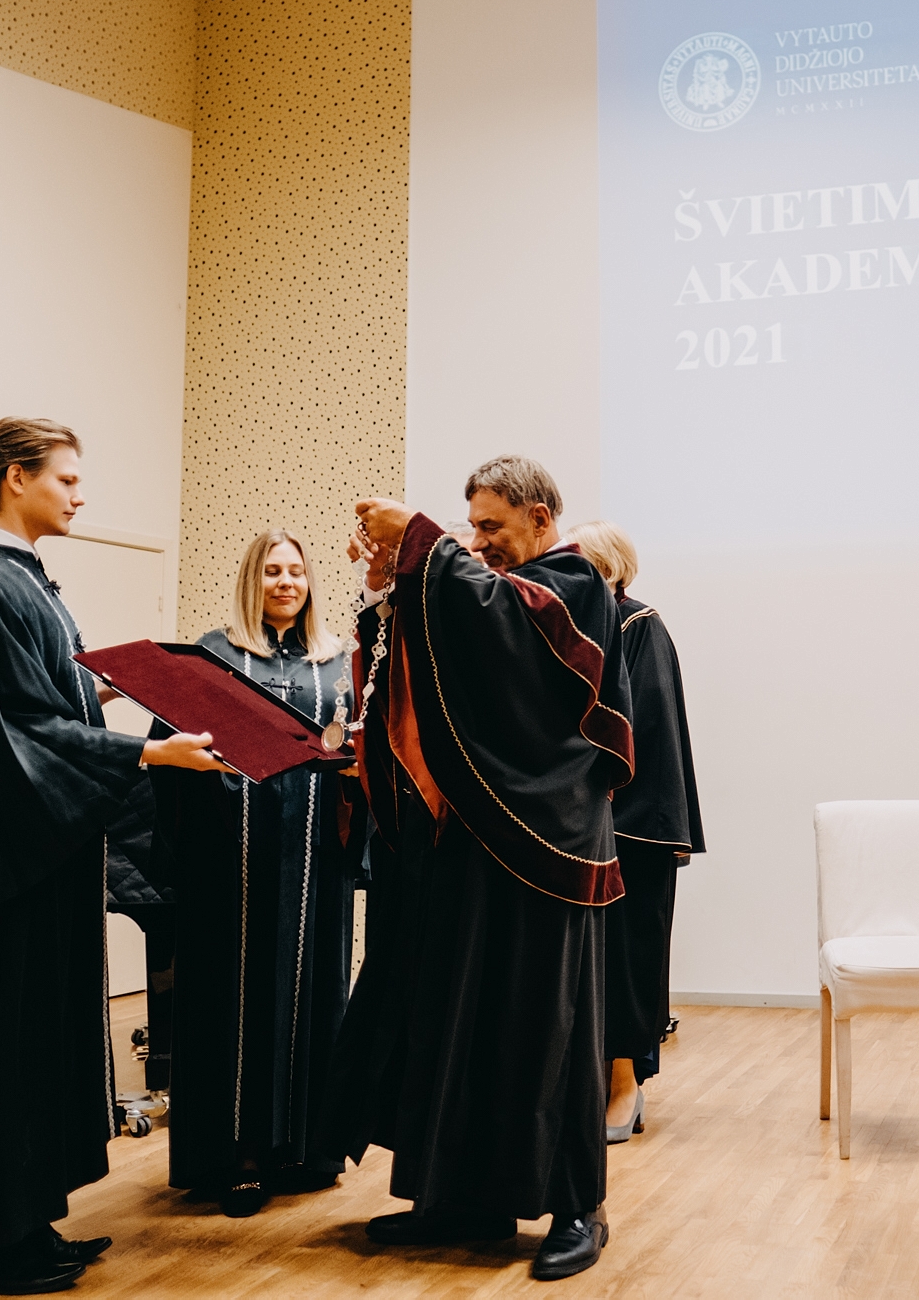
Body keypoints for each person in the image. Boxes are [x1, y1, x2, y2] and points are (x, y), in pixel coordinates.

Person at [0, 418, 230, 1295]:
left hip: (28, 863)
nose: (81, 495)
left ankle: (24, 1221)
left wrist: (102, 689)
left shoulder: (17, 580)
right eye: (68, 479)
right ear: (14, 478)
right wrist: (148, 751)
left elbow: (38, 703)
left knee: (27, 1049)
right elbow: (15, 730)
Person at [322, 456, 630, 1282]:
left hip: (549, 849)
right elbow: (441, 659)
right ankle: (462, 1200)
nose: (480, 541)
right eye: (473, 526)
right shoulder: (494, 584)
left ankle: (578, 1206)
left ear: (539, 517)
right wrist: (390, 582)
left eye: (493, 525)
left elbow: (506, 622)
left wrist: (422, 539)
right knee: (462, 1022)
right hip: (475, 843)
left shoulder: (575, 583)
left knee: (550, 1031)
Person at [148, 528, 359, 1218]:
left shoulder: (339, 663)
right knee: (232, 1002)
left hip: (313, 863)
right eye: (272, 571)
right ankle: (234, 1153)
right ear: (251, 580)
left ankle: (304, 1148)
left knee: (311, 989)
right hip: (230, 865)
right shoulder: (214, 654)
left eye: (296, 570)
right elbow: (170, 751)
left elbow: (359, 748)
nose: (285, 582)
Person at [566, 521, 705, 1143]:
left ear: (609, 568)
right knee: (581, 966)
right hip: (577, 826)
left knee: (627, 961)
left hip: (632, 828)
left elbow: (641, 729)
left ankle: (625, 1085)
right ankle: (584, 1085)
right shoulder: (569, 629)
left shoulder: (638, 626)